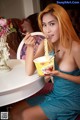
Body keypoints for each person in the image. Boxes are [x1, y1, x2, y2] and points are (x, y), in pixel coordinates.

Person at [10, 3, 80, 120]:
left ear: (62, 24)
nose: (47, 30)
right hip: (55, 94)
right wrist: (30, 48)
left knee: (25, 116)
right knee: (14, 111)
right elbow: (29, 71)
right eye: (44, 25)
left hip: (71, 100)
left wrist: (60, 74)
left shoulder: (76, 48)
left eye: (52, 24)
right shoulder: (46, 43)